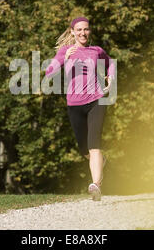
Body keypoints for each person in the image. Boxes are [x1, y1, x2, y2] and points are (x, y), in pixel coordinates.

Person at [45, 16, 115, 201]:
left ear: (89, 31)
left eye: (86, 29)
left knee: (94, 145)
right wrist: (64, 59)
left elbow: (111, 63)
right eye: (79, 30)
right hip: (75, 105)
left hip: (96, 100)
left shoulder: (96, 51)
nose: (83, 33)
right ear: (72, 32)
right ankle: (102, 162)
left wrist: (111, 77)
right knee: (84, 149)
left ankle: (95, 186)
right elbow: (48, 72)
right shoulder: (65, 51)